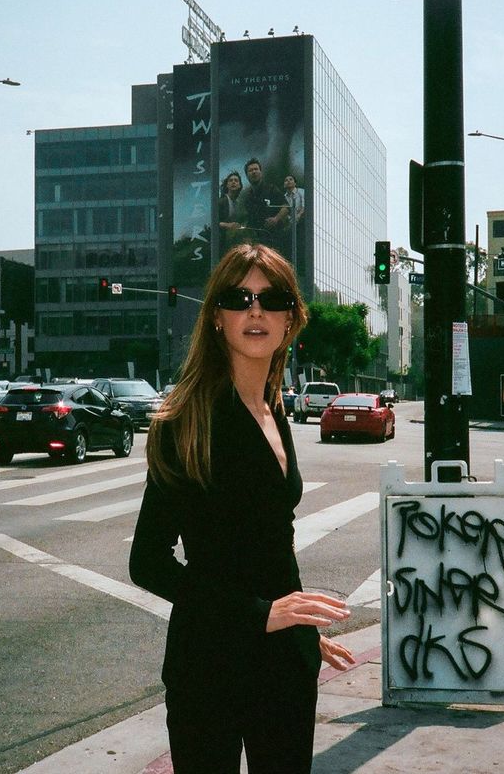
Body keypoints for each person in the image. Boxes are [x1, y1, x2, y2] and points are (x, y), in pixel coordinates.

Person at [130, 243, 354, 774]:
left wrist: (298, 626)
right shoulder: (186, 419)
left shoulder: (275, 408)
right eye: (239, 298)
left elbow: (274, 540)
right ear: (216, 318)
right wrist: (259, 615)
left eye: (271, 299)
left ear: (291, 318)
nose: (256, 311)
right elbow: (148, 561)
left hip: (283, 664)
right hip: (209, 662)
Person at [236, 158, 289, 248]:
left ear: (261, 172)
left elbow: (286, 207)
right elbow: (250, 220)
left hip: (275, 238)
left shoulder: (271, 189)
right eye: (250, 170)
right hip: (258, 241)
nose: (254, 172)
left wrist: (276, 219)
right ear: (247, 175)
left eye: (256, 169)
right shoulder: (248, 197)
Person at [218, 171, 245, 252]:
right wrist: (228, 225)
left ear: (239, 185)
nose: (233, 182)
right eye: (231, 180)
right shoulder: (221, 202)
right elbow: (213, 222)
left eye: (236, 180)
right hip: (222, 241)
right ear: (227, 185)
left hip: (237, 241)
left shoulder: (240, 203)